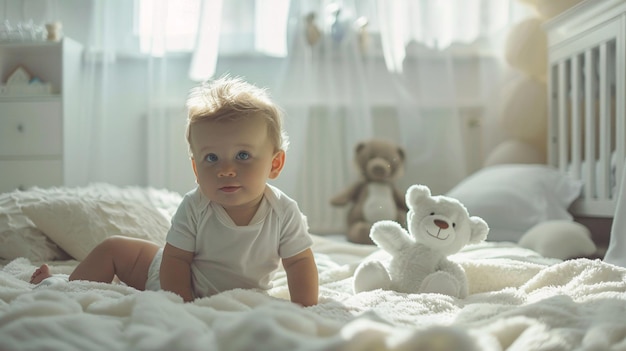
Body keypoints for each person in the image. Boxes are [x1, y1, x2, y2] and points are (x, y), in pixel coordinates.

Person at [30, 76, 319, 306]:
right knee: (114, 247)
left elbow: (299, 262)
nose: (226, 169)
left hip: (225, 288)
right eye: (211, 158)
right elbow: (176, 259)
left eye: (243, 156)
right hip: (170, 278)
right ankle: (60, 286)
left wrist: (306, 309)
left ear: (275, 163)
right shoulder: (195, 205)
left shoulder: (284, 212)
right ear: (196, 169)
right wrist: (182, 304)